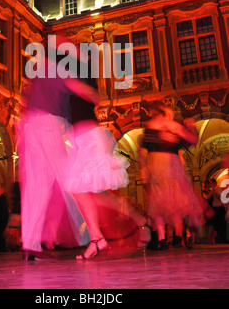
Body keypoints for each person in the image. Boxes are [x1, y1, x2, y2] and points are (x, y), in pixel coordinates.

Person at [18, 41, 99, 261]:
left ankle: (30, 244)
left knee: (36, 187)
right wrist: (92, 93)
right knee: (69, 179)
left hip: (29, 124)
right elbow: (80, 89)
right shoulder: (58, 69)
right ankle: (92, 235)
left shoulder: (41, 70)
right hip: (48, 125)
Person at [65, 57, 150, 259]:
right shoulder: (72, 84)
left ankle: (137, 222)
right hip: (82, 139)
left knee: (82, 190)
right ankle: (97, 238)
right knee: (86, 192)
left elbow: (93, 96)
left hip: (90, 138)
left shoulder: (80, 81)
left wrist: (72, 85)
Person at [138, 101, 204, 250]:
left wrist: (145, 177)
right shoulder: (171, 125)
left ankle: (162, 239)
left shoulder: (149, 126)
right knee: (175, 201)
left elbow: (143, 149)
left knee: (160, 203)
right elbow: (194, 140)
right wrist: (191, 127)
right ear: (165, 114)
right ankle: (178, 237)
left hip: (156, 165)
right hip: (170, 165)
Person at [205, 178, 227, 243]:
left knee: (218, 225)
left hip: (219, 209)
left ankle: (221, 240)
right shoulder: (213, 189)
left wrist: (214, 191)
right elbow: (208, 197)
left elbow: (220, 197)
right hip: (215, 209)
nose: (210, 184)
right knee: (214, 225)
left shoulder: (217, 188)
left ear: (214, 183)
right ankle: (212, 240)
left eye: (210, 182)